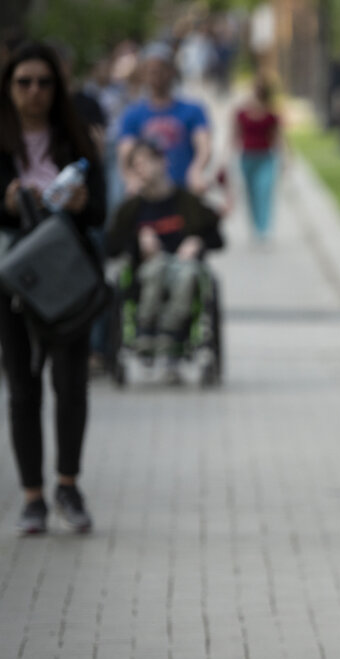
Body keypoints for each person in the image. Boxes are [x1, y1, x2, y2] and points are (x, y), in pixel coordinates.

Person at [0, 41, 107, 534]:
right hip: (14, 280)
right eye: (24, 82)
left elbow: (101, 213)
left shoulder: (75, 139)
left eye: (44, 82)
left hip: (67, 280)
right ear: (9, 87)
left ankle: (68, 483)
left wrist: (82, 202)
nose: (34, 92)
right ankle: (32, 496)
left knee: (70, 384)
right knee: (22, 388)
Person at [104, 138, 222, 368]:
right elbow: (111, 247)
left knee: (187, 272)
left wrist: (197, 241)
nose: (142, 169)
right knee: (157, 266)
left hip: (183, 268)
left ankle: (173, 332)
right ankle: (146, 329)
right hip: (148, 272)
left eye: (146, 162)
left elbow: (217, 238)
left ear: (162, 162)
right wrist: (138, 241)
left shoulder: (187, 201)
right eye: (135, 166)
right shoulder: (131, 209)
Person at [116, 42, 210, 195]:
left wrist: (196, 170)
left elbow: (204, 146)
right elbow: (125, 154)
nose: (155, 74)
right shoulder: (133, 114)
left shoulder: (192, 110)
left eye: (160, 69)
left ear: (171, 71)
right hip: (149, 194)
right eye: (151, 70)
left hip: (182, 191)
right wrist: (131, 179)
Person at [231, 72, 282, 240]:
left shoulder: (271, 114)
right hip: (247, 157)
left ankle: (264, 228)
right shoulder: (241, 113)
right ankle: (254, 226)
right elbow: (234, 135)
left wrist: (286, 159)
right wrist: (227, 158)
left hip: (266, 158)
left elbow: (277, 137)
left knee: (264, 191)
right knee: (251, 193)